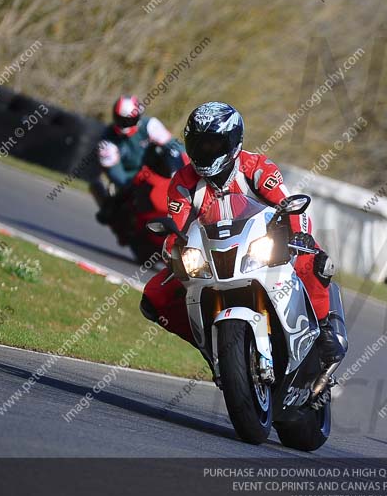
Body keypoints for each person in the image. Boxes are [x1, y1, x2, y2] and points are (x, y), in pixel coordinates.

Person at [139, 101, 345, 381]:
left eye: (212, 144)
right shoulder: (183, 182)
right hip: (212, 258)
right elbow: (178, 229)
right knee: (154, 297)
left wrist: (298, 234)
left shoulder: (256, 166)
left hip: (263, 247)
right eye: (198, 144)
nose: (204, 151)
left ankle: (324, 330)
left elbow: (288, 203)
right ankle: (212, 350)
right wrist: (172, 248)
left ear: (232, 142)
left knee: (314, 261)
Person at [97, 95, 173, 187]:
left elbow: (173, 148)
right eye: (121, 120)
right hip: (130, 181)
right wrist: (134, 185)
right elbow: (117, 175)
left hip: (154, 173)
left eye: (129, 120)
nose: (125, 124)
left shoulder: (150, 125)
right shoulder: (107, 139)